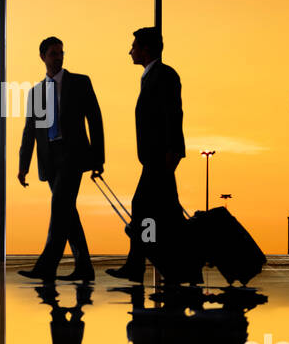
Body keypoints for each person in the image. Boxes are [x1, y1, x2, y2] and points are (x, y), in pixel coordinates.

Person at [17, 37, 104, 282]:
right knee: (67, 211)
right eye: (54, 53)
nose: (59, 57)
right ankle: (84, 267)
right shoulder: (35, 93)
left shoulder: (80, 82)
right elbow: (29, 131)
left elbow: (95, 120)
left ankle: (47, 265)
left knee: (59, 208)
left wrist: (98, 159)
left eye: (61, 53)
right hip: (49, 158)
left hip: (73, 154)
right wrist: (23, 166)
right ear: (43, 57)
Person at [106, 27, 188, 283]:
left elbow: (174, 114)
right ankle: (182, 266)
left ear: (146, 49)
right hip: (155, 156)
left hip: (160, 157)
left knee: (141, 206)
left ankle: (136, 265)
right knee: (168, 212)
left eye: (134, 46)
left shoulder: (164, 75)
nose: (130, 50)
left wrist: (173, 151)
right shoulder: (151, 76)